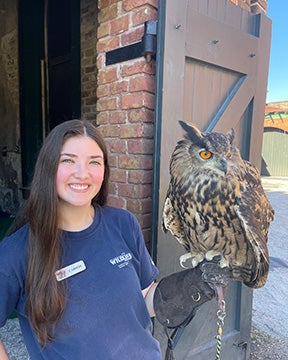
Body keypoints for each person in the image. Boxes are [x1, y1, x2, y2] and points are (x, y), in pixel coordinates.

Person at [0, 120, 161, 359]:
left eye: (94, 162)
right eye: (68, 160)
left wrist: (187, 288)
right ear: (49, 166)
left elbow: (144, 299)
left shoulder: (123, 223)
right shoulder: (17, 252)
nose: (82, 173)